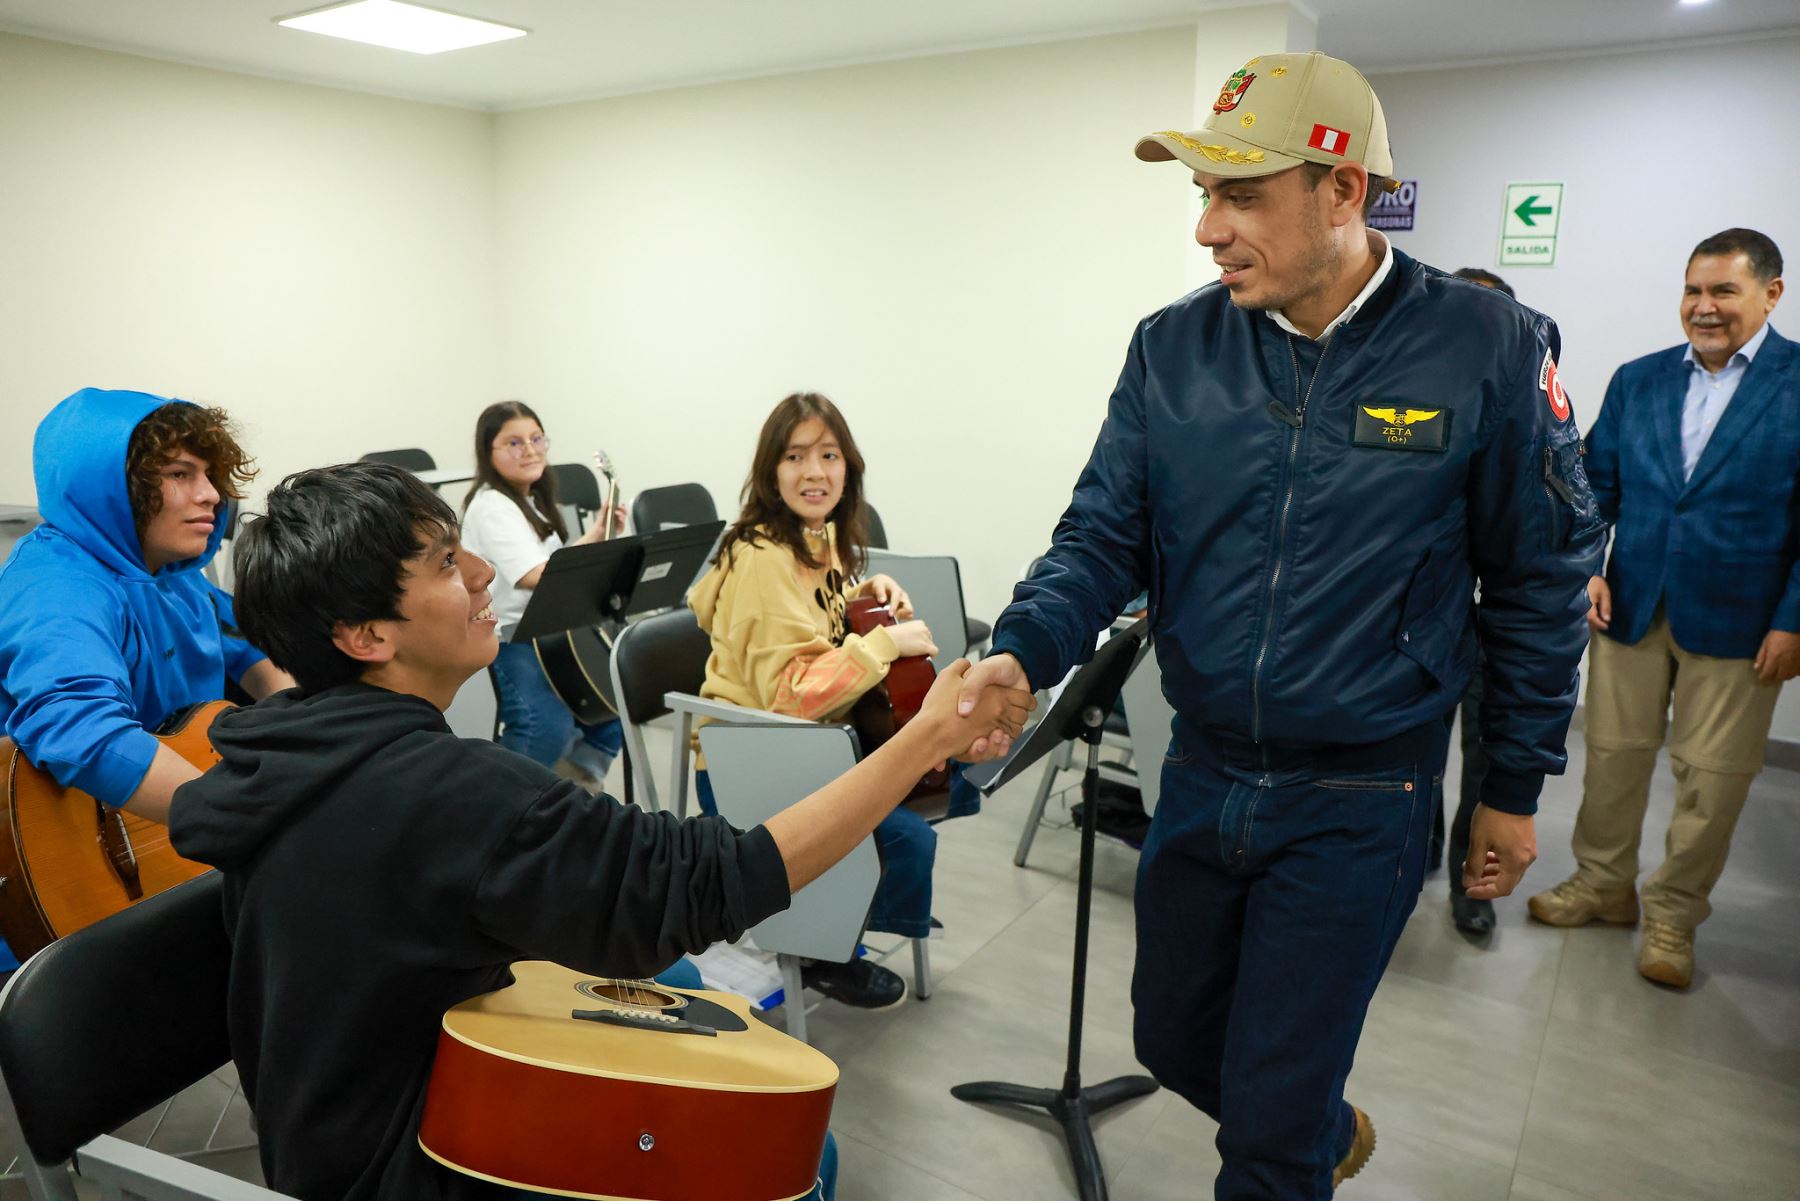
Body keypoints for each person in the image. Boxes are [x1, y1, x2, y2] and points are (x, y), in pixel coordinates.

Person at [954, 51, 1604, 1199]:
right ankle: (1308, 1123)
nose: (1208, 229)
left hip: (1363, 794)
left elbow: (1541, 580)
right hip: (1200, 768)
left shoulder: (1487, 348)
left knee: (1260, 1141)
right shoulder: (1174, 349)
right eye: (1201, 196)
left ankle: (1288, 1136)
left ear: (1343, 189)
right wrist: (1022, 647)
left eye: (1240, 194)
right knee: (1170, 1044)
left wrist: (1512, 782)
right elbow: (1101, 537)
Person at [167, 462, 1031, 1200]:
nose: (479, 571)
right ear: (362, 634)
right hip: (413, 1161)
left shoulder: (280, 750)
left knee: (681, 980)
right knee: (799, 1148)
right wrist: (927, 736)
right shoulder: (455, 796)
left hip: (323, 1131)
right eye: (441, 561)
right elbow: (716, 877)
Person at [1528, 228, 1797, 988]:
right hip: (1633, 602)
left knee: (1713, 778)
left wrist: (1794, 619)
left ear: (1770, 294)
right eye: (1693, 291)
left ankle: (1673, 914)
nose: (1703, 308)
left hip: (1743, 620)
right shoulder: (1639, 380)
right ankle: (1602, 884)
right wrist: (1586, 568)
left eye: (1723, 292)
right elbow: (1591, 487)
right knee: (1611, 755)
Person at [688, 391, 981, 1010]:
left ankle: (849, 912)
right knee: (910, 837)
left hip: (809, 749)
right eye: (795, 457)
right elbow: (790, 695)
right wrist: (881, 641)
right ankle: (822, 946)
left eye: (828, 455)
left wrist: (860, 591)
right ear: (771, 471)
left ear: (849, 467)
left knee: (953, 785)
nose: (814, 472)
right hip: (754, 761)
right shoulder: (764, 557)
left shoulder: (812, 538)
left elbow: (809, 621)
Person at [0, 388, 294, 975]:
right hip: (63, 878)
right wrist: (233, 820)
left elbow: (242, 641)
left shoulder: (171, 571)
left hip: (166, 835)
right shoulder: (55, 586)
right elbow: (79, 728)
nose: (211, 495)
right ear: (113, 488)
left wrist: (303, 718)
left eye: (210, 474)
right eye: (181, 474)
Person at [459, 401, 624, 789]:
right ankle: (510, 803)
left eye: (536, 439)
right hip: (510, 635)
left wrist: (597, 535)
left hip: (550, 630)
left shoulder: (530, 498)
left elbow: (550, 564)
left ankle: (564, 791)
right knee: (543, 725)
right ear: (489, 453)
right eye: (514, 443)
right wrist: (596, 566)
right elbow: (536, 575)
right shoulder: (491, 506)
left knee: (609, 708)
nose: (530, 450)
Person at [1433, 266, 1518, 937]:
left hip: (1495, 630)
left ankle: (1473, 884)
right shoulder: (1400, 404)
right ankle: (1414, 856)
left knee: (1485, 758)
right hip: (1424, 624)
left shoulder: (1531, 410)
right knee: (1411, 751)